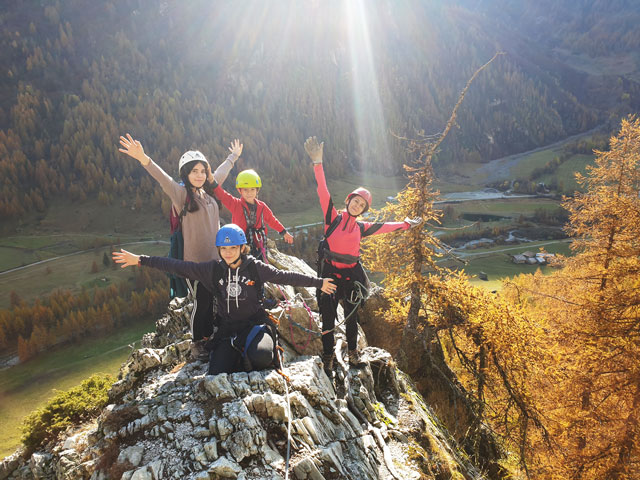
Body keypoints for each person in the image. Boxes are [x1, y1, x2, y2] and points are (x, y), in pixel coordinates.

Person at [113, 224, 337, 375]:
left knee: (262, 359)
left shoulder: (255, 268)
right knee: (216, 372)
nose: (228, 252)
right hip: (227, 331)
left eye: (233, 248)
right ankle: (237, 353)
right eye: (223, 248)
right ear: (218, 249)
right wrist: (141, 260)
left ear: (242, 248)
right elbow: (177, 266)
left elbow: (286, 276)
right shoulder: (212, 270)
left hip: (255, 325)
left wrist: (319, 283)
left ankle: (252, 350)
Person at [303, 136, 423, 375]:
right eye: (355, 201)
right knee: (327, 318)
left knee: (351, 316)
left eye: (361, 205)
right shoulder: (332, 220)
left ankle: (353, 354)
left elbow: (386, 226)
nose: (357, 206)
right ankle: (328, 356)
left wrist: (407, 224)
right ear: (348, 201)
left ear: (363, 210)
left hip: (350, 275)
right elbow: (323, 191)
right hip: (330, 274)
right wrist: (318, 164)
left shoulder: (361, 228)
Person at [118, 134, 243, 360]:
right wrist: (143, 158)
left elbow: (221, 173)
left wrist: (233, 157)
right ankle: (198, 344)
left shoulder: (209, 192)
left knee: (217, 299)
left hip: (216, 260)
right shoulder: (180, 194)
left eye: (203, 171)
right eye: (194, 171)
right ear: (185, 173)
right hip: (194, 263)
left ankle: (214, 336)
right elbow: (162, 178)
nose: (200, 175)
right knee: (202, 302)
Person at [211, 169, 294, 262]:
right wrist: (212, 183)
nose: (249, 193)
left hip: (259, 247)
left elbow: (271, 220)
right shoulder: (236, 205)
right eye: (245, 190)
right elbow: (223, 195)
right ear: (240, 191)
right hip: (241, 247)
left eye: (252, 189)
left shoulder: (262, 207)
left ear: (257, 190)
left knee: (259, 269)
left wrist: (284, 232)